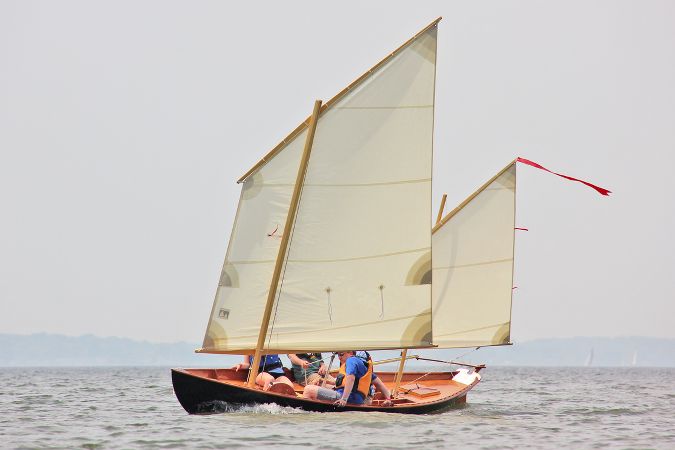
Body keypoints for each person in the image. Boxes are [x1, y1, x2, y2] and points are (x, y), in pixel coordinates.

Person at [302, 350, 392, 407]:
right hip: (355, 397)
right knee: (320, 385)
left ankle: (305, 411)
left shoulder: (351, 360)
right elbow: (380, 384)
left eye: (341, 354)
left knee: (308, 389)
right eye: (338, 355)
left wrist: (344, 399)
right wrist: (388, 399)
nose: (339, 357)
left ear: (351, 353)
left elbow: (351, 379)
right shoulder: (363, 367)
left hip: (350, 398)